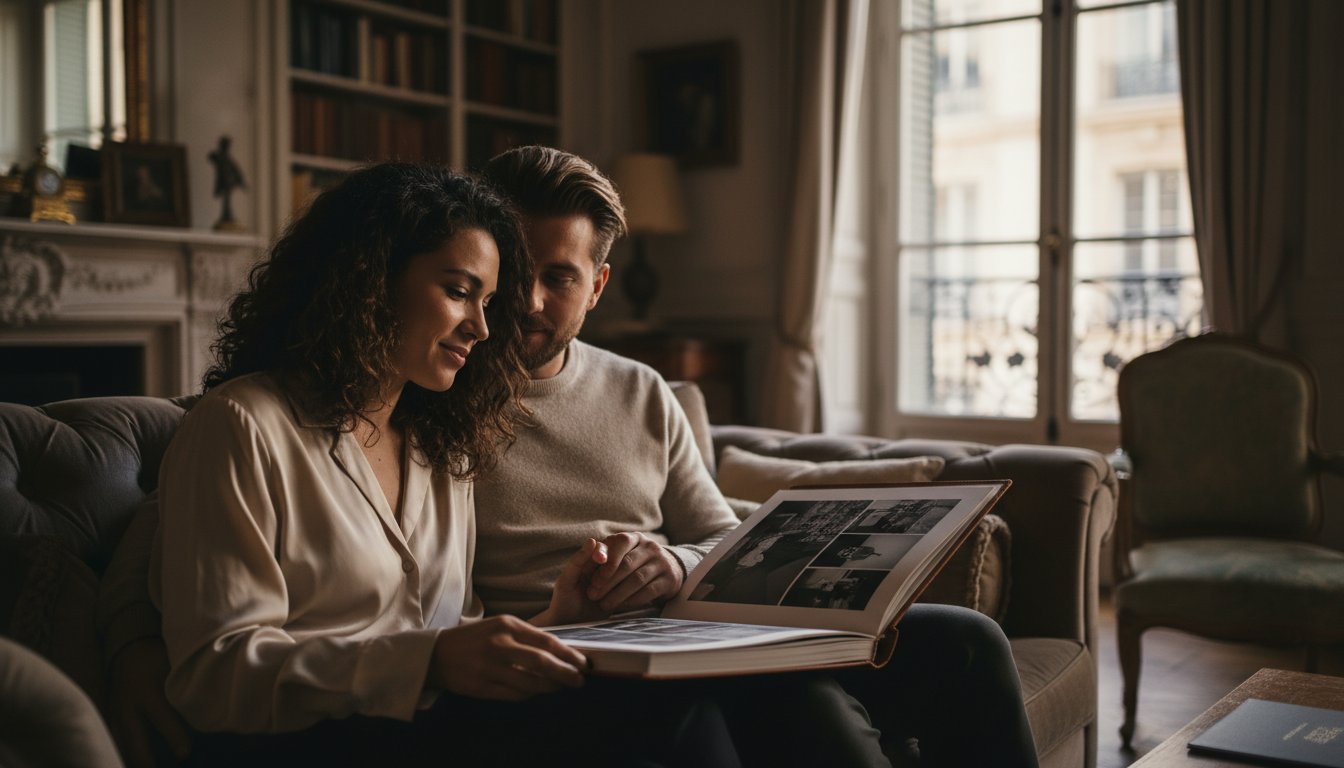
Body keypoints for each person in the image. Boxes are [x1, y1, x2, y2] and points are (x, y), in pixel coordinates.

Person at [100, 149, 1037, 767]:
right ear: (369, 284)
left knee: (960, 642)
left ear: (598, 283)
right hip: (442, 704)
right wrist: (134, 640)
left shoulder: (447, 425)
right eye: (477, 286)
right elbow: (182, 525)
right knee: (744, 715)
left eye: (541, 281)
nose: (509, 313)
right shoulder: (312, 416)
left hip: (580, 648)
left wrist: (617, 585)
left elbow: (706, 537)